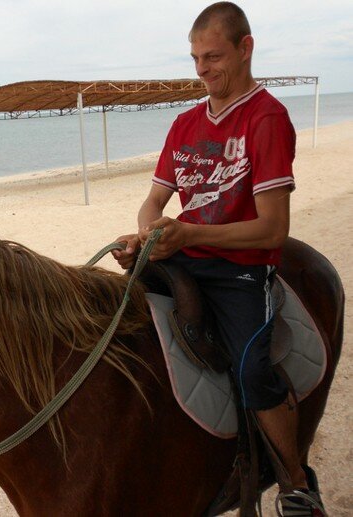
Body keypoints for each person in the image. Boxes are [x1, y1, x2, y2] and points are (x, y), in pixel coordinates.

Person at [112, 2, 324, 515]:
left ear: (245, 48)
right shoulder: (185, 123)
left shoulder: (267, 118)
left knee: (253, 372)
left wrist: (187, 233)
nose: (203, 69)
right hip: (180, 255)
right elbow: (154, 201)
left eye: (213, 56)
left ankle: (296, 482)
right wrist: (150, 233)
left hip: (240, 270)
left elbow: (274, 227)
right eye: (195, 59)